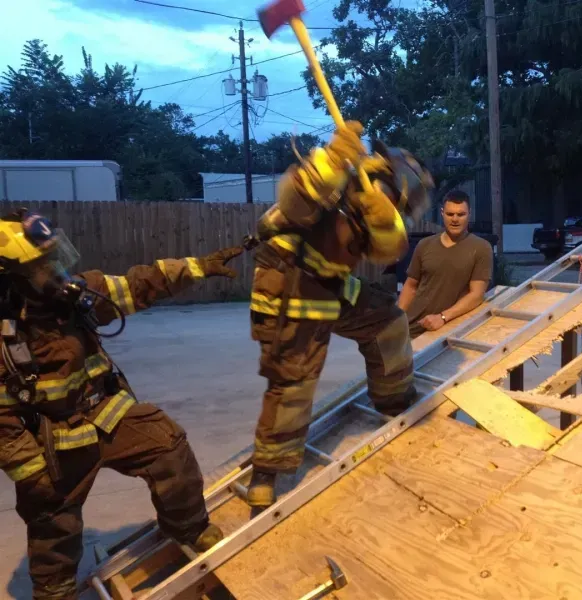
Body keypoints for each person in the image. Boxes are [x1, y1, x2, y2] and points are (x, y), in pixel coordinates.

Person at [0, 208, 243, 600]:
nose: (58, 272)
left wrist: (199, 266)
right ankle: (55, 592)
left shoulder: (77, 295)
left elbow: (139, 283)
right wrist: (29, 472)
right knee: (52, 525)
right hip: (52, 442)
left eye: (55, 257)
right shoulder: (6, 335)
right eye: (43, 266)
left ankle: (190, 528)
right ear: (14, 278)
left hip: (104, 414)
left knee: (167, 445)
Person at [247, 121, 434, 509]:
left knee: (387, 322)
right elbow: (294, 201)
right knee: (294, 380)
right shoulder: (332, 181)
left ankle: (394, 401)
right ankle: (266, 474)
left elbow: (388, 249)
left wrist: (382, 222)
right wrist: (331, 161)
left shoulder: (376, 209)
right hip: (289, 285)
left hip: (329, 285)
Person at [397, 190, 493, 338]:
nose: (455, 219)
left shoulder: (481, 248)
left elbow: (476, 295)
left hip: (447, 330)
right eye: (450, 214)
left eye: (461, 214)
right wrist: (397, 319)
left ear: (470, 214)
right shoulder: (425, 245)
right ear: (442, 213)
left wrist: (442, 317)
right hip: (411, 328)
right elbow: (410, 286)